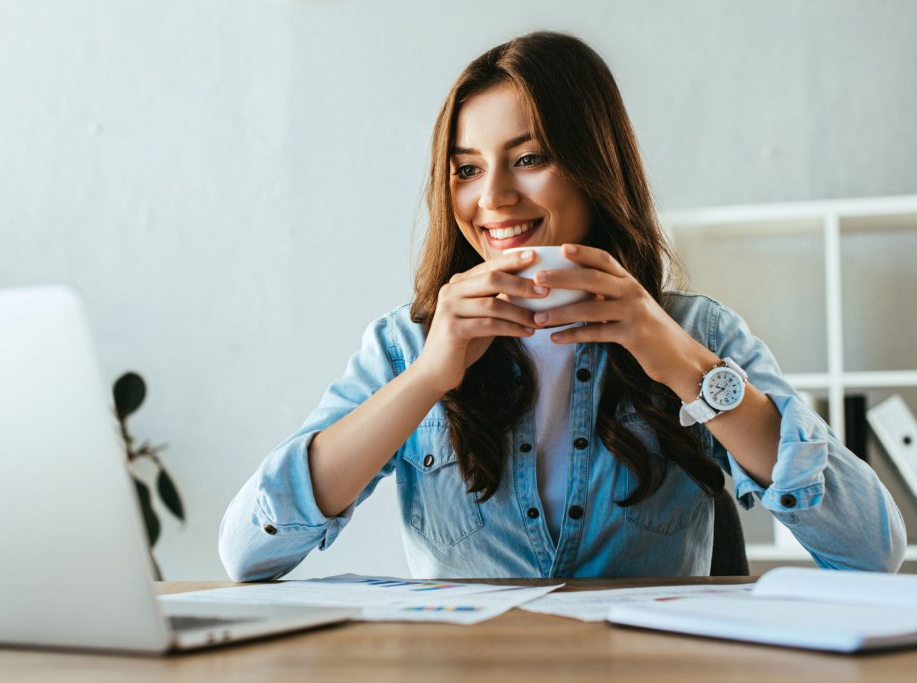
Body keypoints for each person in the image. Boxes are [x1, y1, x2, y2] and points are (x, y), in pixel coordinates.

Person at [219, 31, 905, 580]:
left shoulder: (698, 331)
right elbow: (248, 550)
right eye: (466, 169)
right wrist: (429, 375)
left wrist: (682, 364)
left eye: (529, 157)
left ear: (593, 165)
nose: (492, 198)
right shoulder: (406, 344)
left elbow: (871, 550)